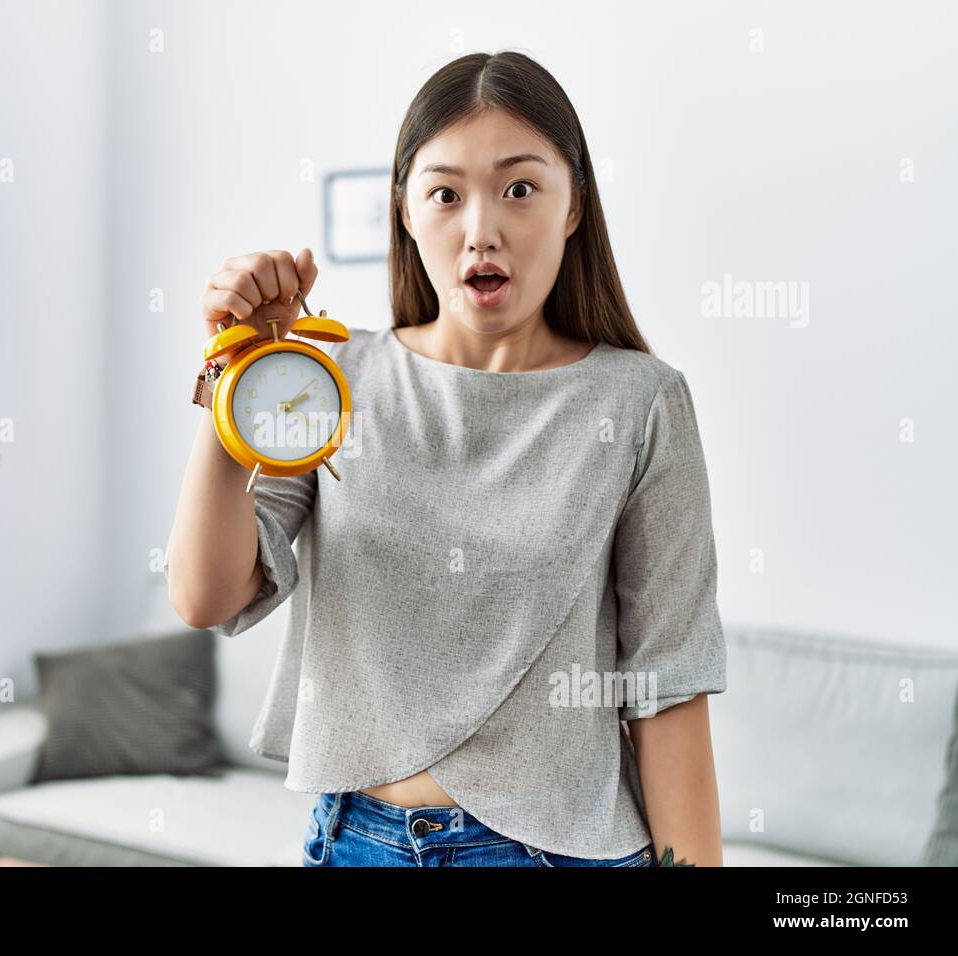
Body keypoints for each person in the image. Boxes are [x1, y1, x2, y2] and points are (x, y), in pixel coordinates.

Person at [166, 50, 727, 868]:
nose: (480, 231)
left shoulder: (639, 403)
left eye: (520, 188)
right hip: (355, 842)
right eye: (445, 194)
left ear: (574, 206)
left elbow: (667, 690)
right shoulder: (330, 379)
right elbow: (205, 595)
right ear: (404, 212)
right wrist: (238, 366)